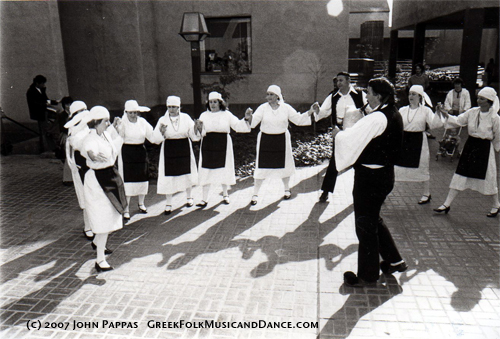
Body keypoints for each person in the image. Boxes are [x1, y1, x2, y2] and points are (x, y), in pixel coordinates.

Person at [333, 77, 407, 287]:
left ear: (379, 96)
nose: (366, 96)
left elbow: (351, 137)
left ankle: (367, 275)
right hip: (384, 176)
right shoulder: (392, 112)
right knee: (373, 220)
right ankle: (395, 261)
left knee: (365, 225)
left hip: (370, 178)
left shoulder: (377, 119)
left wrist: (339, 134)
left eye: (369, 93)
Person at [434, 87, 500, 218]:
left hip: (485, 149)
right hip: (471, 146)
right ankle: (447, 203)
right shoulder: (472, 112)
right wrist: (444, 113)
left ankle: (496, 205)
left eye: (482, 99)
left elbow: (498, 135)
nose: (479, 100)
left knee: (489, 177)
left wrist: (495, 148)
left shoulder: (495, 118)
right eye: (478, 98)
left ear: (489, 101)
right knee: (460, 175)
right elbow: (458, 120)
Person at [245, 85, 315, 205]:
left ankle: (287, 189)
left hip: (282, 139)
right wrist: (248, 117)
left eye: (271, 94)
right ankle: (255, 194)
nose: (268, 97)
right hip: (265, 140)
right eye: (267, 94)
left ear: (278, 96)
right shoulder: (262, 108)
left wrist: (310, 112)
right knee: (261, 168)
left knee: (284, 166)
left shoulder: (286, 108)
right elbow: (253, 123)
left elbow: (298, 119)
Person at [82, 106, 126, 272]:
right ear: (96, 123)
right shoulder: (90, 138)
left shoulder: (106, 134)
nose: (108, 123)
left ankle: (97, 243)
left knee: (110, 215)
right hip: (97, 181)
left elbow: (114, 146)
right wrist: (91, 154)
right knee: (102, 220)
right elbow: (88, 148)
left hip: (110, 177)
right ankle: (100, 260)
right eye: (105, 121)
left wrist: (119, 131)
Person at [314, 72, 368, 202]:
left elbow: (371, 110)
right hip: (339, 132)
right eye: (337, 81)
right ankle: (325, 192)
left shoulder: (360, 95)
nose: (338, 83)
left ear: (349, 81)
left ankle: (363, 193)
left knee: (360, 162)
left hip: (356, 132)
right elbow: (323, 112)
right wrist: (317, 110)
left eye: (341, 81)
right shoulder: (333, 96)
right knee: (334, 161)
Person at [196, 92, 252, 206]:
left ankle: (225, 195)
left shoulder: (227, 114)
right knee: (206, 171)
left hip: (223, 144)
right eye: (210, 102)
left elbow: (237, 125)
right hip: (208, 145)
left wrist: (246, 118)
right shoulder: (203, 115)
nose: (213, 104)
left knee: (224, 170)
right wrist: (198, 128)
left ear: (220, 103)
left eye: (215, 102)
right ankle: (204, 199)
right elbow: (199, 133)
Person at [394, 85, 443, 204]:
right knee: (396, 168)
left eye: (414, 94)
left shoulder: (425, 111)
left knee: (422, 166)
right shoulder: (403, 110)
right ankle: (386, 192)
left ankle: (426, 193)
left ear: (420, 97)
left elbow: (435, 125)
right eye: (410, 94)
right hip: (404, 140)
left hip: (419, 141)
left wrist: (438, 112)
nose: (411, 96)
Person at [152, 96, 200, 215]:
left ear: (179, 107)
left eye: (174, 107)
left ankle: (189, 197)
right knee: (169, 177)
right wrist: (161, 133)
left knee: (187, 174)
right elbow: (155, 139)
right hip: (169, 148)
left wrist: (195, 128)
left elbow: (193, 136)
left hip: (184, 147)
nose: (171, 109)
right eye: (169, 107)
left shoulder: (185, 118)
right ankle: (169, 203)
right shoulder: (162, 120)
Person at [116, 100, 154, 220]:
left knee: (142, 179)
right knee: (128, 181)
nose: (133, 115)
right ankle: (126, 209)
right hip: (127, 153)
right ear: (126, 112)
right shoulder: (122, 123)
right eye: (130, 113)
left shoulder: (142, 122)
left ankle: (141, 203)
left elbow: (152, 135)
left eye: (135, 113)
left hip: (140, 152)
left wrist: (161, 133)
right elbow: (118, 138)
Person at [64, 101, 93, 241]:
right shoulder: (74, 131)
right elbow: (78, 145)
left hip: (89, 162)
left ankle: (95, 223)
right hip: (81, 163)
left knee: (93, 193)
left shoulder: (86, 127)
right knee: (85, 194)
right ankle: (87, 226)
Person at [26, 75, 59, 153]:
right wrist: (46, 104)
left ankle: (51, 132)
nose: (44, 85)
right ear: (37, 83)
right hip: (39, 113)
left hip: (44, 111)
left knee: (58, 116)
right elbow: (36, 103)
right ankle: (50, 148)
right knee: (45, 131)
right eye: (42, 83)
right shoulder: (31, 91)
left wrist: (55, 102)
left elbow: (46, 100)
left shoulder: (41, 90)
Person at [59, 96, 74, 184]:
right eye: (66, 104)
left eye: (70, 104)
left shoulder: (74, 114)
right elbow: (62, 127)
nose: (68, 106)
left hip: (73, 135)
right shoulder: (62, 115)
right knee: (68, 156)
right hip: (66, 136)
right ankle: (67, 178)